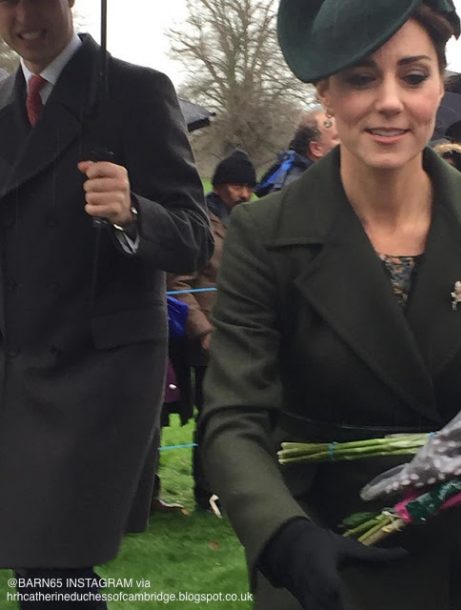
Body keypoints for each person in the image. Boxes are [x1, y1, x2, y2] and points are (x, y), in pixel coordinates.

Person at [201, 1, 461, 609]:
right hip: (316, 545)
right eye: (360, 78)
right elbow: (233, 417)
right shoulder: (264, 233)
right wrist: (280, 533)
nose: (389, 101)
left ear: (441, 84)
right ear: (325, 93)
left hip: (449, 546)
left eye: (413, 76)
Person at [0, 0, 211, 608]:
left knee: (51, 561)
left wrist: (134, 210)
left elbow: (194, 237)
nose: (21, 16)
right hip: (16, 366)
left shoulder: (137, 92)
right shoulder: (2, 105)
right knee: (39, 568)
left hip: (97, 372)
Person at [166, 149, 256, 510]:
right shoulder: (199, 222)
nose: (245, 194)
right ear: (219, 186)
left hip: (245, 336)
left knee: (243, 417)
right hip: (208, 340)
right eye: (237, 186)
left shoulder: (249, 219)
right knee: (211, 417)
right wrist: (203, 332)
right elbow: (179, 283)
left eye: (249, 187)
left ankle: (238, 489)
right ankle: (207, 492)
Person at [254, 107, 339, 197]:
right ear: (316, 148)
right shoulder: (299, 190)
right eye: (338, 137)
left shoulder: (321, 179)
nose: (348, 140)